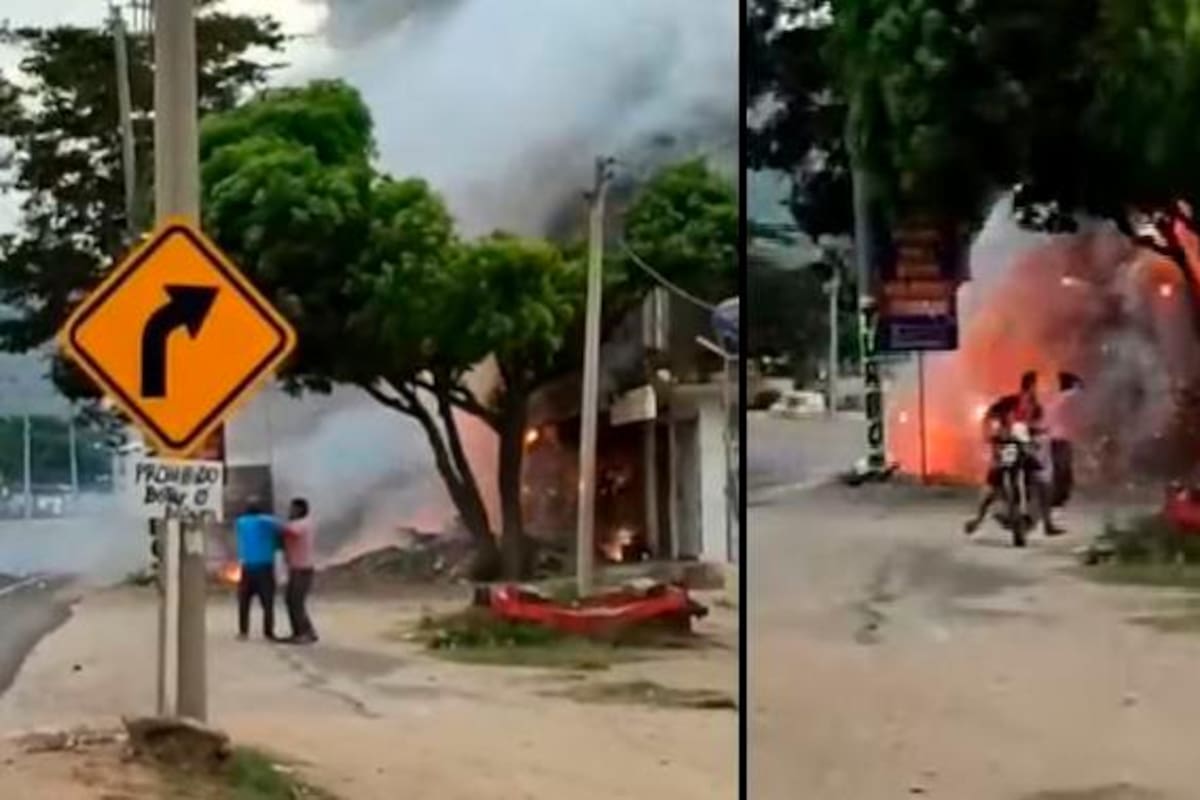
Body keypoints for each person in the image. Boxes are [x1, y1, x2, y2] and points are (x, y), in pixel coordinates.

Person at [234, 499, 282, 641]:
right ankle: (268, 632)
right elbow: (281, 527)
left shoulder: (241, 522)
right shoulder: (267, 522)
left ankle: (243, 631)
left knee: (244, 602)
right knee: (267, 602)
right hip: (265, 566)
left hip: (247, 566)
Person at [281, 497, 318, 644]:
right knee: (293, 601)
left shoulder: (301, 524)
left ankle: (302, 633)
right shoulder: (305, 523)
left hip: (301, 569)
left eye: (292, 509)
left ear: (299, 510)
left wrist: (270, 522)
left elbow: (288, 531)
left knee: (295, 601)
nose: (290, 511)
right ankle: (305, 632)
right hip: (299, 568)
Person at [1045, 371, 1084, 509]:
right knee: (1064, 469)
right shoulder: (1069, 397)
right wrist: (1078, 383)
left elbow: (1047, 418)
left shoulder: (1055, 398)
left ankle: (1057, 497)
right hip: (1064, 438)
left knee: (1058, 469)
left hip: (1054, 438)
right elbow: (1078, 392)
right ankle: (1060, 497)